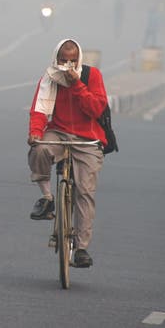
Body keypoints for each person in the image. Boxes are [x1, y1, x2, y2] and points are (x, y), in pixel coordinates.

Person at [27, 38, 108, 268]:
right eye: (64, 60)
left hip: (87, 139)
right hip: (59, 133)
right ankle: (47, 198)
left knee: (85, 190)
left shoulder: (92, 76)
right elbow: (40, 110)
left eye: (73, 61)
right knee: (39, 149)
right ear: (56, 59)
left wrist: (77, 85)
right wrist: (35, 132)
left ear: (79, 59)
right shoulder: (50, 77)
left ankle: (81, 248)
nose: (68, 66)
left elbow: (95, 108)